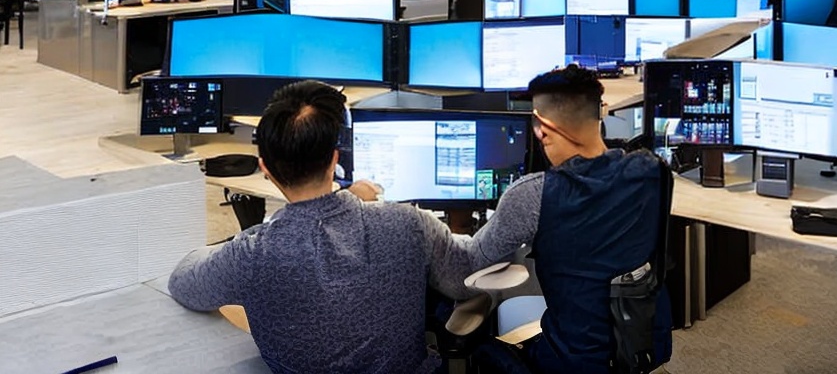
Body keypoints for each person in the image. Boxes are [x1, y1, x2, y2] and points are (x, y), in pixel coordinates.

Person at [167, 80, 476, 374]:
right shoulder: (409, 223)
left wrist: (243, 241)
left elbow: (183, 282)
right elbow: (463, 280)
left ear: (265, 169)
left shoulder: (251, 254)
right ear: (334, 160)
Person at [467, 65, 672, 374]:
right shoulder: (652, 171)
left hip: (569, 362)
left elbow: (472, 261)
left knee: (474, 340)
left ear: (542, 130)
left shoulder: (533, 194)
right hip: (637, 347)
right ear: (599, 115)